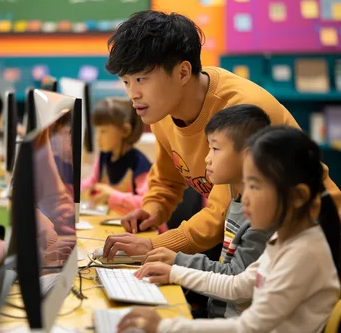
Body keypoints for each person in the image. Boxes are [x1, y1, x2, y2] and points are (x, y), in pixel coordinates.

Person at [102, 10, 341, 258]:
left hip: (315, 241)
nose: (133, 94)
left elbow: (221, 214)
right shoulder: (161, 110)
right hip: (257, 246)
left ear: (183, 72)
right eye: (126, 81)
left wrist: (154, 246)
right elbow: (167, 180)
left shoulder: (243, 113)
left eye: (141, 79)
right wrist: (151, 210)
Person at [118, 126, 341, 333]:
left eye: (254, 186)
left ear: (298, 197)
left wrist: (165, 327)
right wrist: (173, 272)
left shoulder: (304, 252)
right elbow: (237, 285)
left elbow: (248, 327)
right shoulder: (285, 238)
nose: (245, 198)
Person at [144, 104, 273, 319]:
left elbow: (236, 279)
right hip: (219, 315)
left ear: (247, 155)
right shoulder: (238, 201)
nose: (206, 158)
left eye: (215, 148)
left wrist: (178, 263)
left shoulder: (260, 218)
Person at [81, 97, 151, 216]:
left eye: (103, 131)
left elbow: (146, 205)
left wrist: (111, 195)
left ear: (125, 130)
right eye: (96, 131)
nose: (97, 137)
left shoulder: (139, 164)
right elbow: (92, 182)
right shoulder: (103, 156)